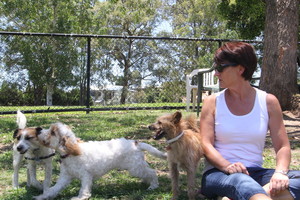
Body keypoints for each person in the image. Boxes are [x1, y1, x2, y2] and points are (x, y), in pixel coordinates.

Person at [200, 42, 300, 200]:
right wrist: (227, 166)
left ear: (240, 69)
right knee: (241, 181)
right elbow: (206, 145)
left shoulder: (268, 102)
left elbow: (282, 146)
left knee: (294, 178)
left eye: (220, 67)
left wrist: (280, 173)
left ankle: (244, 196)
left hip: (256, 173)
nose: (216, 74)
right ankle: (255, 194)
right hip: (219, 173)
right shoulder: (212, 102)